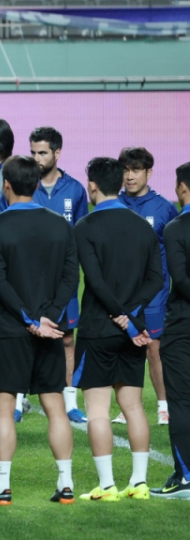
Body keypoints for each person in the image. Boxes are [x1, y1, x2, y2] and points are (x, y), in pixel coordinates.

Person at [0, 156, 79, 506]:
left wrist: (28, 319)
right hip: (51, 330)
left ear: (6, 185)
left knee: (4, 408)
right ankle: (66, 485)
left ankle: (1, 487)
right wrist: (48, 317)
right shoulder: (61, 226)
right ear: (37, 184)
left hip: (10, 329)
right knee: (55, 406)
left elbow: (0, 282)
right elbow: (70, 278)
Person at [72, 157, 163, 502]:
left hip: (99, 329)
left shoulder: (84, 227)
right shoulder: (142, 226)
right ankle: (139, 483)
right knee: (134, 407)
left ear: (92, 186)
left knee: (97, 409)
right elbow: (156, 279)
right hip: (134, 331)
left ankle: (107, 485)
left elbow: (94, 281)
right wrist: (131, 316)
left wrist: (119, 316)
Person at [19, 127, 91, 424]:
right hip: (27, 275)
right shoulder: (25, 186)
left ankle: (70, 401)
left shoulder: (75, 190)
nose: (36, 157)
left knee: (66, 339)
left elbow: (83, 233)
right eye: (33, 151)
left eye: (42, 152)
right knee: (24, 335)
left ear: (57, 153)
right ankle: (19, 400)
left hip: (63, 277)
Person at [116, 147, 177, 427]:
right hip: (122, 293)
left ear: (148, 172)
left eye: (136, 170)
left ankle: (163, 407)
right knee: (125, 346)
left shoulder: (164, 208)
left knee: (153, 348)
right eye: (126, 170)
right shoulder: (114, 205)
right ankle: (126, 406)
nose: (129, 176)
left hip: (154, 294)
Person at [154, 160, 190, 500]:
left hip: (183, 326)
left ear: (182, 189)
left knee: (181, 401)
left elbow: (180, 280)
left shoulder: (176, 228)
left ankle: (187, 476)